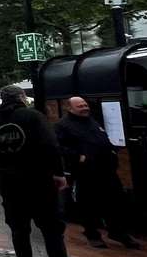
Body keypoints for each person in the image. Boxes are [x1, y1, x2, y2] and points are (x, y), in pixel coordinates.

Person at [0, 85, 86, 257]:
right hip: (40, 183)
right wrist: (58, 173)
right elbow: (50, 145)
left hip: (10, 186)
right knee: (52, 233)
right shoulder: (33, 117)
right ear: (21, 98)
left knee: (20, 234)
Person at [55, 96, 140, 249]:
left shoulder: (92, 120)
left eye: (85, 105)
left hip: (106, 168)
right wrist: (78, 157)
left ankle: (118, 232)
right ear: (70, 108)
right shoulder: (63, 125)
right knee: (88, 203)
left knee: (116, 201)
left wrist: (113, 152)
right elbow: (59, 147)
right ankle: (92, 234)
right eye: (80, 106)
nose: (84, 108)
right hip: (85, 171)